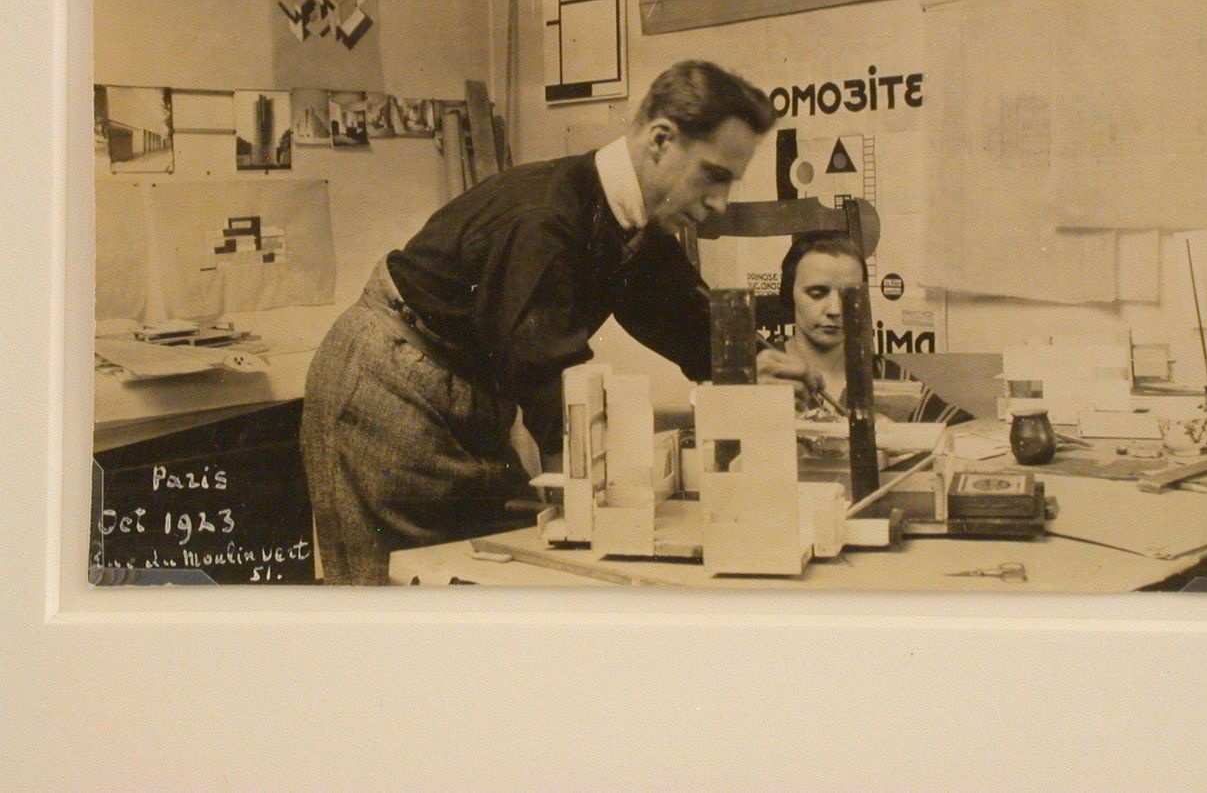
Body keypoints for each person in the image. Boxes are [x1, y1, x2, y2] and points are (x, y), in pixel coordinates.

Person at [299, 60, 816, 584]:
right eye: (714, 176)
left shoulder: (624, 216)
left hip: (464, 394)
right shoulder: (546, 220)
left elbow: (674, 308)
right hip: (391, 390)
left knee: (474, 592)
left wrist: (754, 363)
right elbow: (552, 380)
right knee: (398, 602)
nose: (720, 203)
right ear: (661, 140)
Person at [766, 231, 973, 425]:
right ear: (789, 294)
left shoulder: (886, 374)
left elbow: (964, 431)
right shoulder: (765, 371)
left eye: (849, 295)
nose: (835, 309)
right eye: (817, 293)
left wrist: (900, 435)